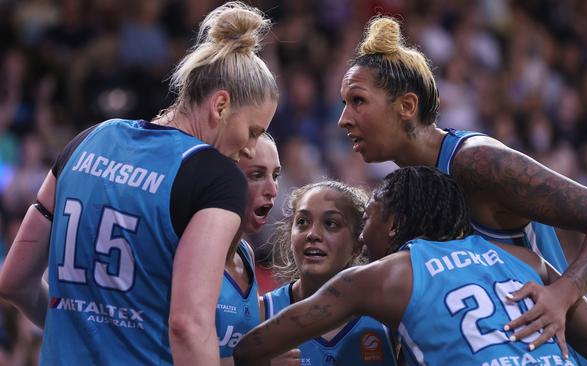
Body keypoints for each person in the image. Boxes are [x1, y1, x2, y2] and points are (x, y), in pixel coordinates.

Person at [0, 2, 278, 365]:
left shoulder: (89, 139)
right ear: (220, 105)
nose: (250, 148)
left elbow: (14, 281)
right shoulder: (214, 176)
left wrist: (78, 328)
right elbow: (188, 326)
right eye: (253, 131)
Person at [336, 16, 587, 345]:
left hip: (551, 348)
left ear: (407, 106)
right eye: (344, 104)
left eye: (358, 101)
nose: (343, 119)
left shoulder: (476, 161)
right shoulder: (410, 187)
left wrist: (561, 294)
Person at [233, 166, 587, 366]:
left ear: (392, 223)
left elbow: (251, 349)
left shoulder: (386, 275)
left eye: (368, 218)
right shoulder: (522, 258)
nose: (362, 236)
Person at [261, 181, 397, 366]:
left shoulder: (389, 317)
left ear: (357, 245)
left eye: (331, 223)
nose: (312, 234)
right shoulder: (262, 312)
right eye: (302, 222)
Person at [216, 133, 300, 366]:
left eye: (275, 176)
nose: (273, 189)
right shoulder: (188, 253)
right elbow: (168, 356)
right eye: (256, 175)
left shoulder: (246, 254)